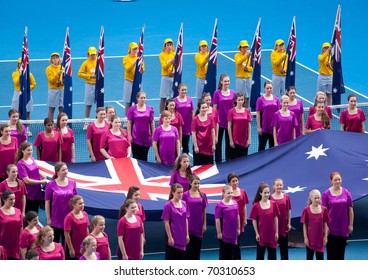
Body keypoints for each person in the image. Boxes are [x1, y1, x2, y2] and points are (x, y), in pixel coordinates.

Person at [322, 171, 354, 260]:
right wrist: (325, 227)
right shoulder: (326, 194)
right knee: (331, 254)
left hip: (343, 227)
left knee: (341, 254)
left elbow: (350, 209)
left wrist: (350, 225)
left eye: (339, 179)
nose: (338, 181)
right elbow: (323, 212)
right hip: (330, 228)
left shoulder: (347, 193)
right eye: (335, 180)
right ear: (331, 181)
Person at [45, 162, 77, 244]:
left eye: (66, 169)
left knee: (67, 242)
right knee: (54, 242)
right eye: (63, 170)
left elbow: (75, 200)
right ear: (57, 172)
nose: (66, 171)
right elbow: (47, 202)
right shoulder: (50, 184)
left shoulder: (72, 183)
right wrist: (48, 218)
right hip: (56, 218)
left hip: (69, 217)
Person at [249, 183, 279, 260]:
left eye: (268, 192)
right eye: (265, 193)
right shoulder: (256, 205)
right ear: (260, 193)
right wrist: (257, 234)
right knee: (260, 256)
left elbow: (276, 218)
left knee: (272, 257)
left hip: (272, 235)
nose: (267, 194)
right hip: (261, 235)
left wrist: (276, 232)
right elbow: (254, 220)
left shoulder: (273, 204)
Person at [15, 142, 47, 213]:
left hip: (36, 189)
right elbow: (26, 180)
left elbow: (35, 169)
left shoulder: (32, 159)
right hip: (28, 192)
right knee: (29, 211)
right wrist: (41, 182)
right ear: (23, 151)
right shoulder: (20, 164)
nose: (30, 152)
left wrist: (42, 175)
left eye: (31, 150)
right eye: (28, 150)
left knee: (35, 210)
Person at [182, 175, 208, 260]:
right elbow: (182, 210)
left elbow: (204, 210)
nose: (197, 185)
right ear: (190, 183)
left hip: (199, 225)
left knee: (197, 249)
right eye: (195, 183)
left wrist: (204, 224)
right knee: (188, 249)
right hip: (188, 225)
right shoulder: (185, 195)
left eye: (198, 183)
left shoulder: (203, 195)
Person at [162, 183, 189, 260]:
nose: (180, 194)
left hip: (182, 236)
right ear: (173, 192)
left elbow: (186, 219)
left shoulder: (184, 203)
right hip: (173, 236)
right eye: (178, 192)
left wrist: (187, 234)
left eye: (182, 192)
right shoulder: (168, 205)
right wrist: (170, 237)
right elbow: (166, 222)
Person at [213, 74, 236, 163]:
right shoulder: (216, 93)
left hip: (230, 122)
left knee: (229, 142)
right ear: (221, 82)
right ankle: (218, 161)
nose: (227, 83)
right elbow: (215, 108)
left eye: (228, 81)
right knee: (218, 142)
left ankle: (228, 161)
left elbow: (234, 107)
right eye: (225, 81)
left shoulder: (233, 93)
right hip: (219, 122)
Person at [300, 189, 330, 260]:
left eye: (318, 198)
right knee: (309, 258)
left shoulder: (324, 209)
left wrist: (325, 236)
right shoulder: (306, 210)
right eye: (315, 198)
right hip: (310, 240)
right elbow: (304, 224)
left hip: (320, 239)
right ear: (311, 198)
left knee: (320, 258)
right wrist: (305, 237)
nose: (317, 200)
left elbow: (325, 223)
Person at [127, 91, 155, 161]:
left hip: (146, 137)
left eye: (144, 98)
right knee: (136, 158)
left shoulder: (150, 109)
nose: (143, 99)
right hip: (135, 137)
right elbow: (129, 122)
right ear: (137, 98)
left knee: (144, 157)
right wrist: (129, 135)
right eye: (141, 98)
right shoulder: (132, 109)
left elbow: (152, 122)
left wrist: (153, 135)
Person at [11, 58, 36, 136]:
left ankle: (27, 130)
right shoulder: (14, 74)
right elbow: (17, 82)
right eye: (20, 63)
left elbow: (34, 84)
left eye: (23, 64)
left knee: (27, 112)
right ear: (18, 65)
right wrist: (22, 75)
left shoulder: (30, 74)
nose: (21, 65)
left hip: (27, 94)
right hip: (17, 94)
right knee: (15, 113)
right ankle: (16, 128)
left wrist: (28, 88)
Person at [215, 185, 240, 260]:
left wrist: (238, 228)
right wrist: (219, 233)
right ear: (223, 193)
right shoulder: (219, 205)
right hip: (224, 233)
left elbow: (237, 216)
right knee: (224, 252)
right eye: (228, 193)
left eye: (231, 193)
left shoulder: (235, 203)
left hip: (233, 232)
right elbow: (217, 219)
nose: (230, 195)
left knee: (232, 252)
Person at [227, 173, 249, 260]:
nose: (235, 183)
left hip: (240, 220)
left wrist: (245, 218)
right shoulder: (227, 193)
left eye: (236, 181)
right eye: (233, 181)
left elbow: (244, 206)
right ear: (229, 183)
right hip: (230, 220)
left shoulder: (243, 192)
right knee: (230, 240)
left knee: (238, 240)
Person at [270, 178, 291, 260]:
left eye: (280, 185)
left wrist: (289, 222)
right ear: (273, 186)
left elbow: (288, 210)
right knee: (273, 248)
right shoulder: (270, 198)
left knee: (284, 247)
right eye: (277, 185)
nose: (279, 186)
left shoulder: (286, 197)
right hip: (273, 226)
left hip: (283, 225)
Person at [64, 195, 90, 260]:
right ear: (74, 205)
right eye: (80, 204)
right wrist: (71, 249)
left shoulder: (85, 214)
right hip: (73, 245)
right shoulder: (69, 217)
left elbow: (86, 228)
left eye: (83, 203)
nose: (82, 205)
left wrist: (88, 242)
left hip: (83, 244)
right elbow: (66, 234)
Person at [256, 81, 280, 151]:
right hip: (264, 128)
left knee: (272, 148)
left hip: (273, 128)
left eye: (270, 88)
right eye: (267, 88)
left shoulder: (276, 99)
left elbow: (278, 113)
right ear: (264, 89)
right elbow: (258, 114)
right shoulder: (260, 100)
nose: (269, 90)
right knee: (261, 148)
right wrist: (259, 127)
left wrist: (278, 126)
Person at [78, 46, 97, 130]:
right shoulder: (85, 63)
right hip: (89, 85)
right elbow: (80, 73)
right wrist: (89, 76)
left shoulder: (99, 62)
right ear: (88, 54)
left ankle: (98, 121)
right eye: (91, 54)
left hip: (98, 86)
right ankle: (86, 122)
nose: (93, 56)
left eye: (94, 54)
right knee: (88, 104)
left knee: (99, 105)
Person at [227, 92, 252, 159]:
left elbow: (249, 125)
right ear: (236, 100)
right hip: (235, 140)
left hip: (244, 139)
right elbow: (229, 126)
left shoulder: (247, 111)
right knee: (234, 161)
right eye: (239, 100)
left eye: (242, 100)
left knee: (243, 160)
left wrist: (249, 139)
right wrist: (231, 140)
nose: (240, 101)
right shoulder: (231, 111)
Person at [191, 100, 216, 166]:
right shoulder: (195, 119)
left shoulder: (210, 118)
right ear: (199, 109)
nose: (205, 109)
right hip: (199, 147)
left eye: (206, 107)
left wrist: (213, 144)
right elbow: (193, 133)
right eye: (203, 108)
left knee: (209, 167)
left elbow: (213, 131)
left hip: (209, 147)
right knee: (198, 167)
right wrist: (196, 146)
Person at [123, 42, 144, 117]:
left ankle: (137, 116)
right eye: (133, 49)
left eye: (136, 49)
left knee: (138, 100)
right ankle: (126, 118)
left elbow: (143, 70)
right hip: (129, 81)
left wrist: (140, 66)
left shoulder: (140, 58)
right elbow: (127, 69)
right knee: (128, 101)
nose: (135, 51)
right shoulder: (126, 58)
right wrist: (134, 63)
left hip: (137, 81)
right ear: (130, 49)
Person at [0, 190, 22, 259]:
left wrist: (21, 242)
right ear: (4, 199)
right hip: (3, 244)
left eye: (14, 199)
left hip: (16, 244)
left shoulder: (18, 211)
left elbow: (21, 227)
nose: (13, 201)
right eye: (11, 199)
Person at [174, 83, 194, 154]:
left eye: (185, 90)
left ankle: (185, 163)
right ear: (178, 90)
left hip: (187, 126)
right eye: (182, 90)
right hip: (177, 126)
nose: (184, 91)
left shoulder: (189, 100)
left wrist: (193, 123)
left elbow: (192, 112)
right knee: (176, 145)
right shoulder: (175, 101)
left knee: (186, 146)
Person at [46, 52, 64, 121]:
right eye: (53, 58)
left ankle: (60, 124)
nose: (55, 59)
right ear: (51, 60)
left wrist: (62, 81)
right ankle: (50, 125)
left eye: (57, 58)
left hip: (61, 89)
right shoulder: (48, 69)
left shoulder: (63, 68)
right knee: (52, 108)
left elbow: (65, 79)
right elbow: (51, 80)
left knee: (61, 108)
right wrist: (57, 74)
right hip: (53, 90)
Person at [234, 40, 253, 108]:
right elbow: (238, 62)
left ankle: (246, 110)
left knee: (247, 96)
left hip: (248, 78)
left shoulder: (250, 57)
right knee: (239, 96)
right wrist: (246, 56)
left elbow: (252, 68)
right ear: (240, 48)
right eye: (243, 47)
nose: (245, 49)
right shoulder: (237, 55)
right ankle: (238, 110)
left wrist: (248, 69)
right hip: (240, 78)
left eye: (246, 47)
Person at [159, 38, 175, 113]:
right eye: (167, 45)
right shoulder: (161, 55)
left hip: (173, 78)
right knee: (163, 97)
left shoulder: (175, 54)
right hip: (165, 78)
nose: (169, 46)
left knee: (173, 97)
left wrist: (174, 73)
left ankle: (173, 113)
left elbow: (177, 66)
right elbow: (164, 66)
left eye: (170, 45)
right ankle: (161, 114)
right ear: (165, 46)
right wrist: (171, 62)